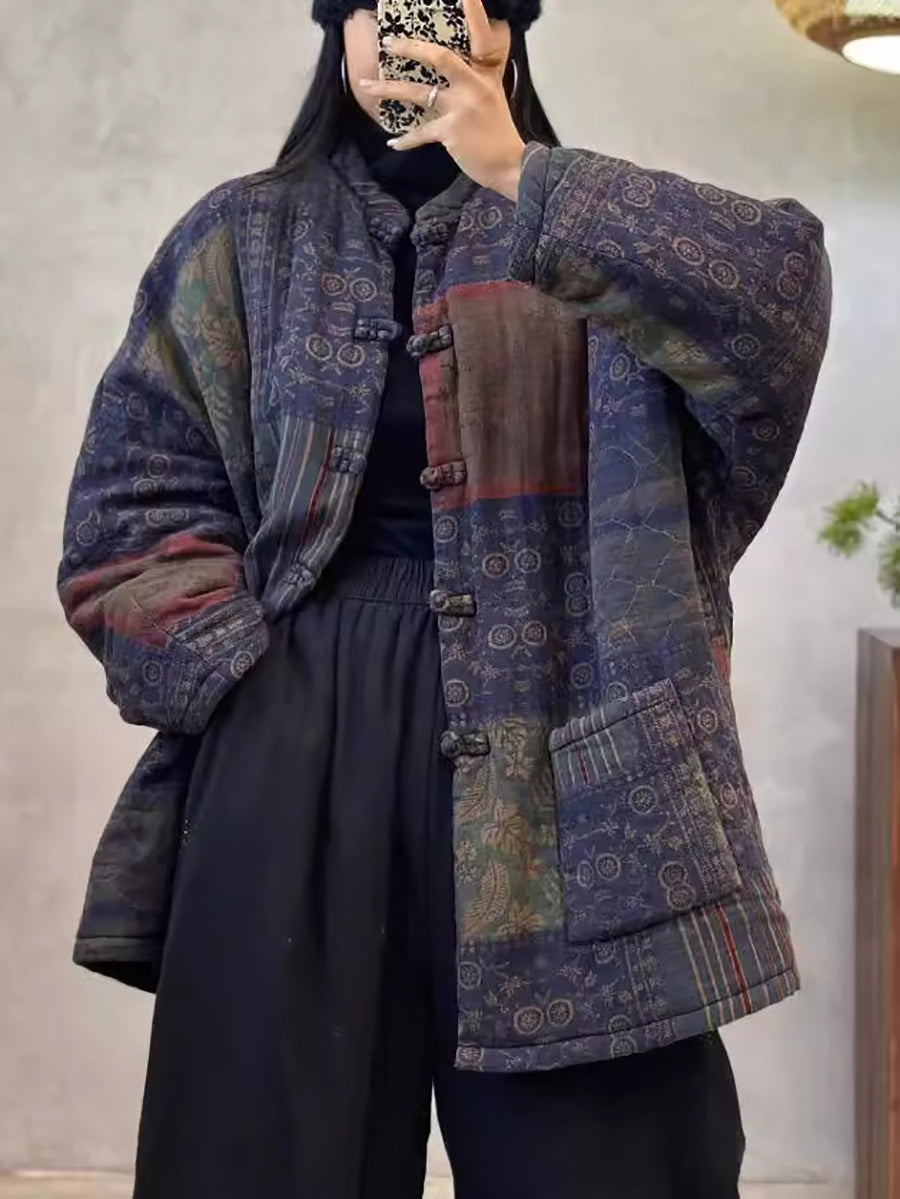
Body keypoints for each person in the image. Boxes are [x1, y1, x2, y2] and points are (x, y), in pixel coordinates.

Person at [57, 0, 832, 1195]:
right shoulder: (240, 238)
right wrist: (240, 683)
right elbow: (132, 499)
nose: (405, 23)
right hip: (298, 740)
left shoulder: (596, 238)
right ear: (338, 31)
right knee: (260, 1158)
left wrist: (521, 172)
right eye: (376, 2)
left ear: (505, 27)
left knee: (611, 1164)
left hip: (575, 760)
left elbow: (777, 295)